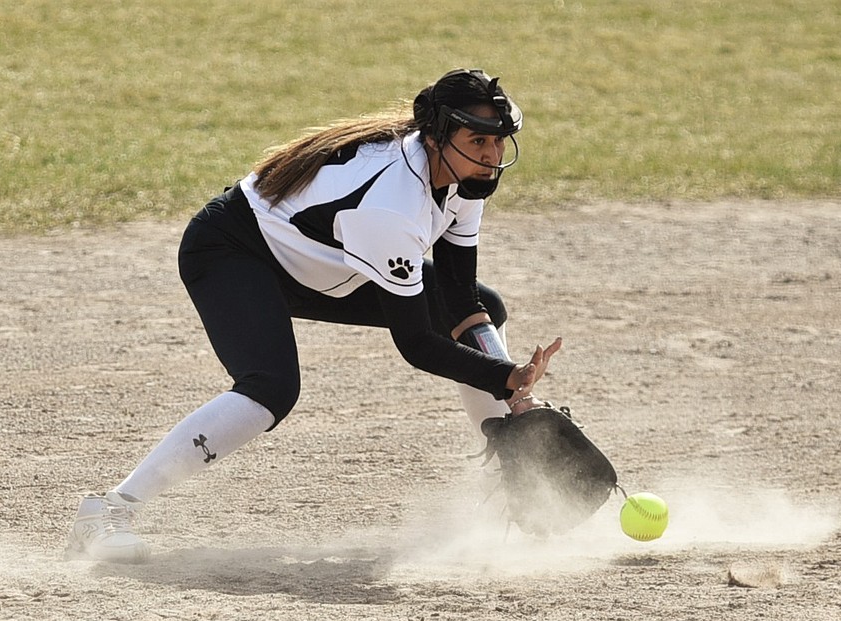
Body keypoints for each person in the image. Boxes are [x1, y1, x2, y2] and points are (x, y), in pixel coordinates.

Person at [66, 68, 562, 564]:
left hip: (321, 260)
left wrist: (517, 394)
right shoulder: (390, 205)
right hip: (234, 252)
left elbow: (460, 298)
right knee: (270, 386)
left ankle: (517, 479)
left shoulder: (461, 176)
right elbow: (415, 344)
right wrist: (507, 375)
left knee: (487, 310)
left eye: (499, 142)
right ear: (435, 136)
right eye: (478, 140)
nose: (492, 157)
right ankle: (108, 510)